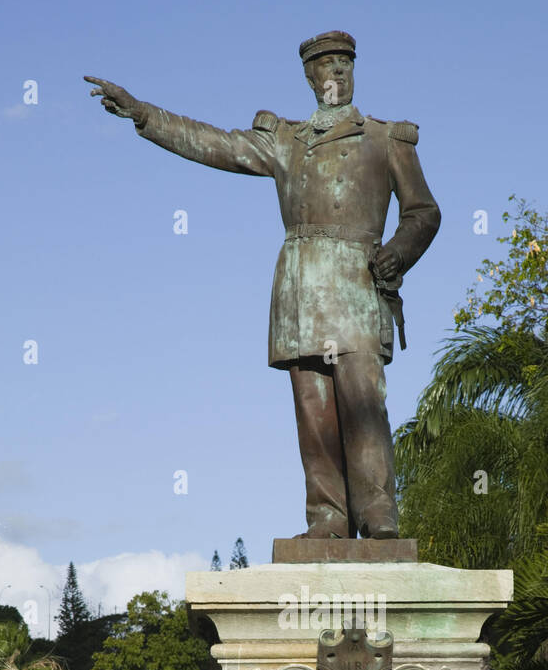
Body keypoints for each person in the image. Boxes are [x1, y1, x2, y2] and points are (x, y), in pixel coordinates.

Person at [86, 31, 441, 542]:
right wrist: (144, 113)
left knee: (364, 406)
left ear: (354, 71)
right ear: (309, 77)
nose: (335, 73)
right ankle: (328, 519)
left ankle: (378, 517)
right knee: (313, 413)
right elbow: (215, 144)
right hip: (299, 287)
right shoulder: (283, 141)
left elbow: (423, 212)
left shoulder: (386, 140)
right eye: (325, 65)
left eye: (344, 64)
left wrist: (398, 252)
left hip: (358, 285)